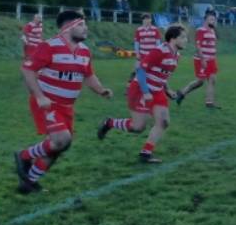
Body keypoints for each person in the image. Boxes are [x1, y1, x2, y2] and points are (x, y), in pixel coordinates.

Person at [13, 11, 113, 194]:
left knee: (60, 146)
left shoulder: (84, 50)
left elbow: (89, 75)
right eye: (81, 25)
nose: (86, 28)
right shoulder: (49, 46)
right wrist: (40, 96)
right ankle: (24, 155)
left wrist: (101, 90)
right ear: (68, 28)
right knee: (62, 139)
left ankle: (28, 182)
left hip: (67, 108)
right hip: (47, 103)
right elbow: (28, 71)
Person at [97, 25, 187, 163]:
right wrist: (145, 92)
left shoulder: (176, 56)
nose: (186, 40)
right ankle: (109, 123)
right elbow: (140, 71)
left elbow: (162, 74)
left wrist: (167, 89)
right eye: (183, 37)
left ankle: (146, 153)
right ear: (173, 39)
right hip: (140, 89)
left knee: (163, 122)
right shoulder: (160, 51)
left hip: (157, 91)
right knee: (138, 127)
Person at [176, 9, 220, 109]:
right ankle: (182, 93)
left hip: (212, 59)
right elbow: (198, 46)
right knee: (200, 81)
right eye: (211, 19)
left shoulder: (213, 31)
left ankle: (209, 102)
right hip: (201, 60)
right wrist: (203, 59)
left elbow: (213, 43)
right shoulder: (200, 30)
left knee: (212, 79)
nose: (213, 21)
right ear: (206, 20)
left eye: (214, 19)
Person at [127, 13, 161, 84]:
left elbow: (158, 43)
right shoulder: (139, 30)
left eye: (148, 19)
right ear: (142, 20)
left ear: (150, 20)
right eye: (144, 19)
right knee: (137, 69)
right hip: (142, 54)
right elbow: (137, 43)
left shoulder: (155, 29)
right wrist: (137, 53)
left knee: (153, 70)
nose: (146, 20)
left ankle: (155, 85)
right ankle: (131, 84)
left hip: (152, 54)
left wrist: (157, 53)